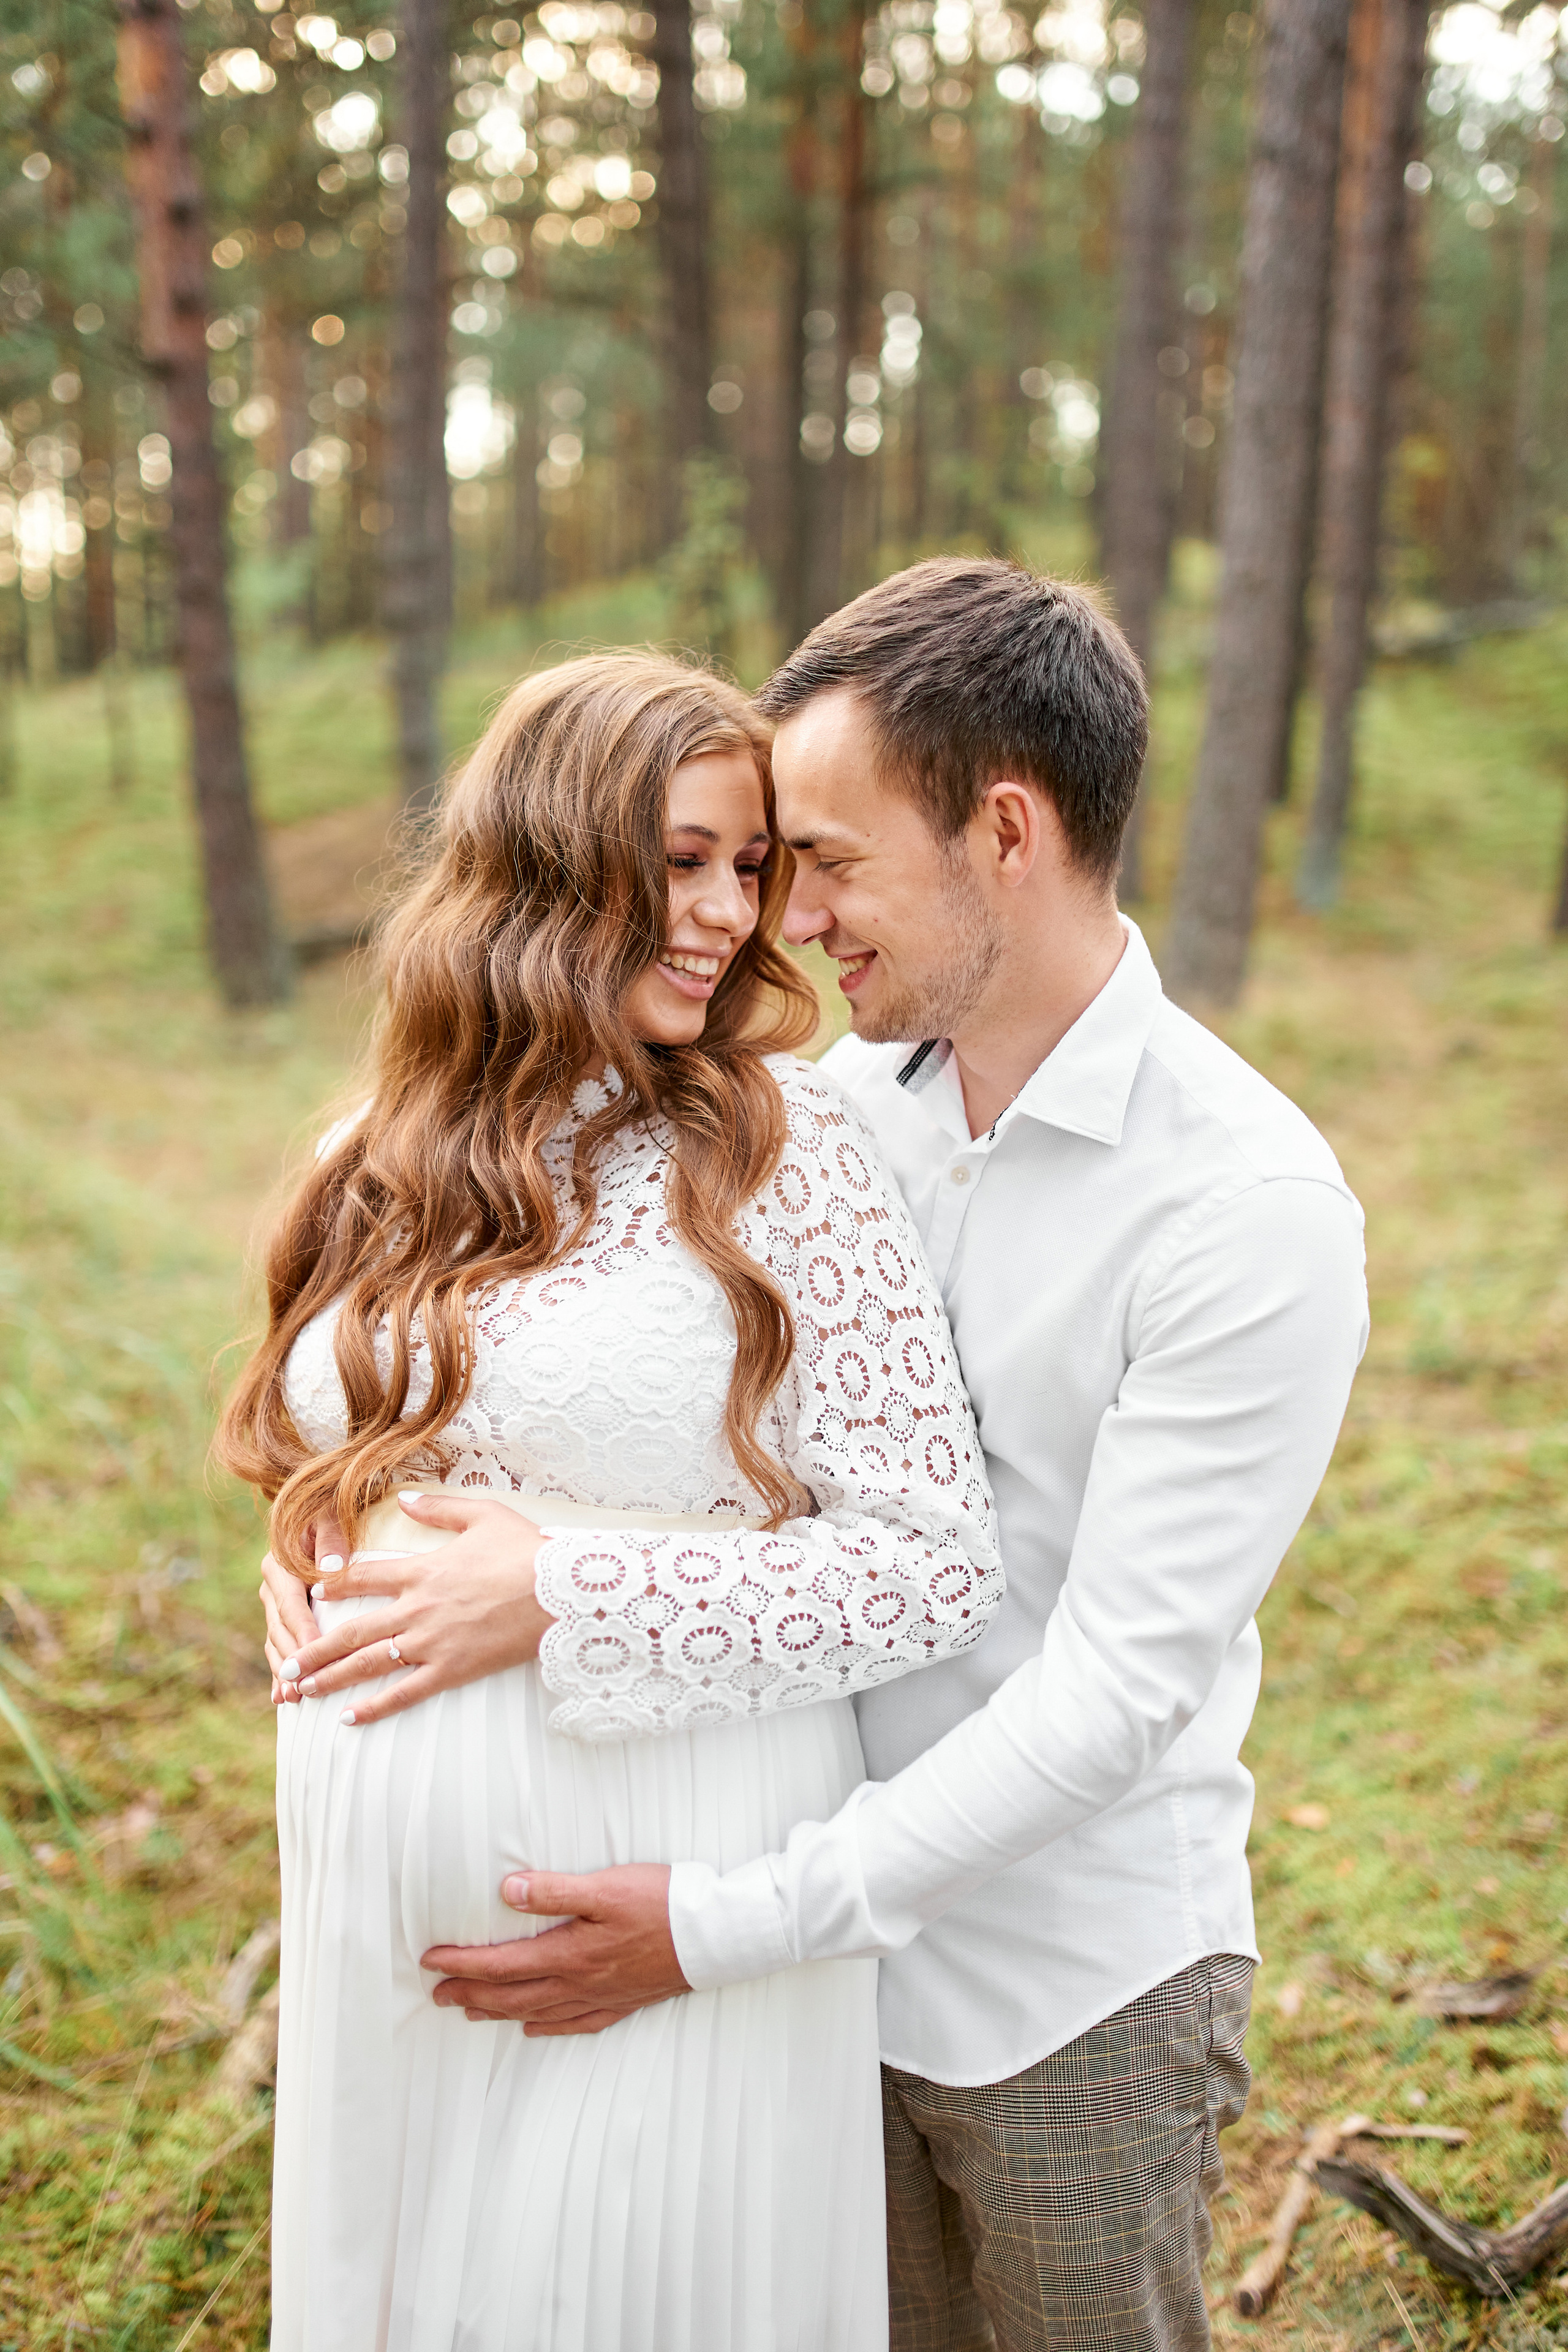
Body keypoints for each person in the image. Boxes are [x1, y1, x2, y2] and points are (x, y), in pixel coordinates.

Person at [368, 562, 1371, 2352]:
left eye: (823, 862)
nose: (786, 921)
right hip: (794, 1972)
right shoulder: (815, 1123)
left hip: (1066, 1983)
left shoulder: (1246, 1206)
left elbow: (1117, 1692)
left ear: (1005, 831)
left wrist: (727, 1923)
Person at [224, 650, 1004, 2352]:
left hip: (662, 1923)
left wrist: (560, 1593)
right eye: (684, 859)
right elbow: (342, 1435)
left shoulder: (786, 1147)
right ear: (547, 852)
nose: (733, 913)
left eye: (754, 867)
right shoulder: (387, 1139)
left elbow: (932, 1568)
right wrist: (312, 1537)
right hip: (388, 1975)